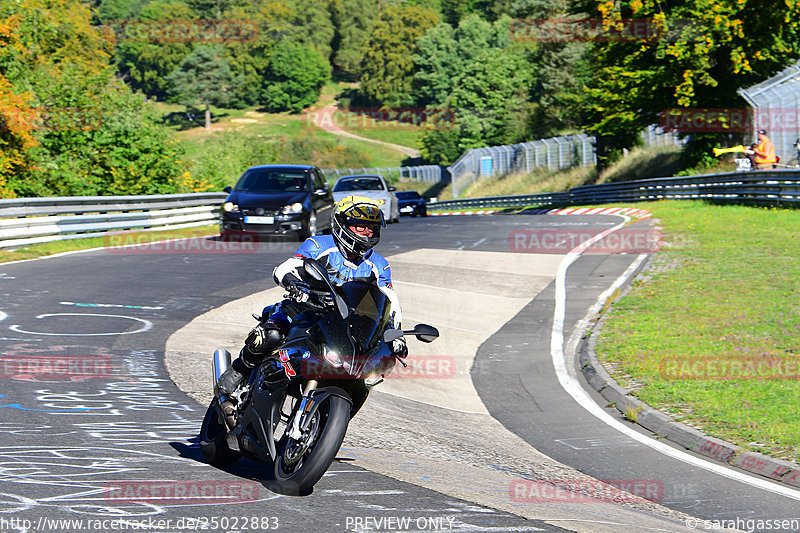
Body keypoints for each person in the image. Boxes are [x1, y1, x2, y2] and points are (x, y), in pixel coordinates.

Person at [217, 195, 407, 395]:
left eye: (372, 228)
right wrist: (293, 283)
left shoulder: (379, 264)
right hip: (304, 307)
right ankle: (239, 369)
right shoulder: (318, 245)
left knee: (367, 365)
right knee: (272, 334)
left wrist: (397, 333)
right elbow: (288, 267)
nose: (367, 233)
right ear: (341, 223)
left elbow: (389, 299)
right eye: (360, 227)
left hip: (344, 323)